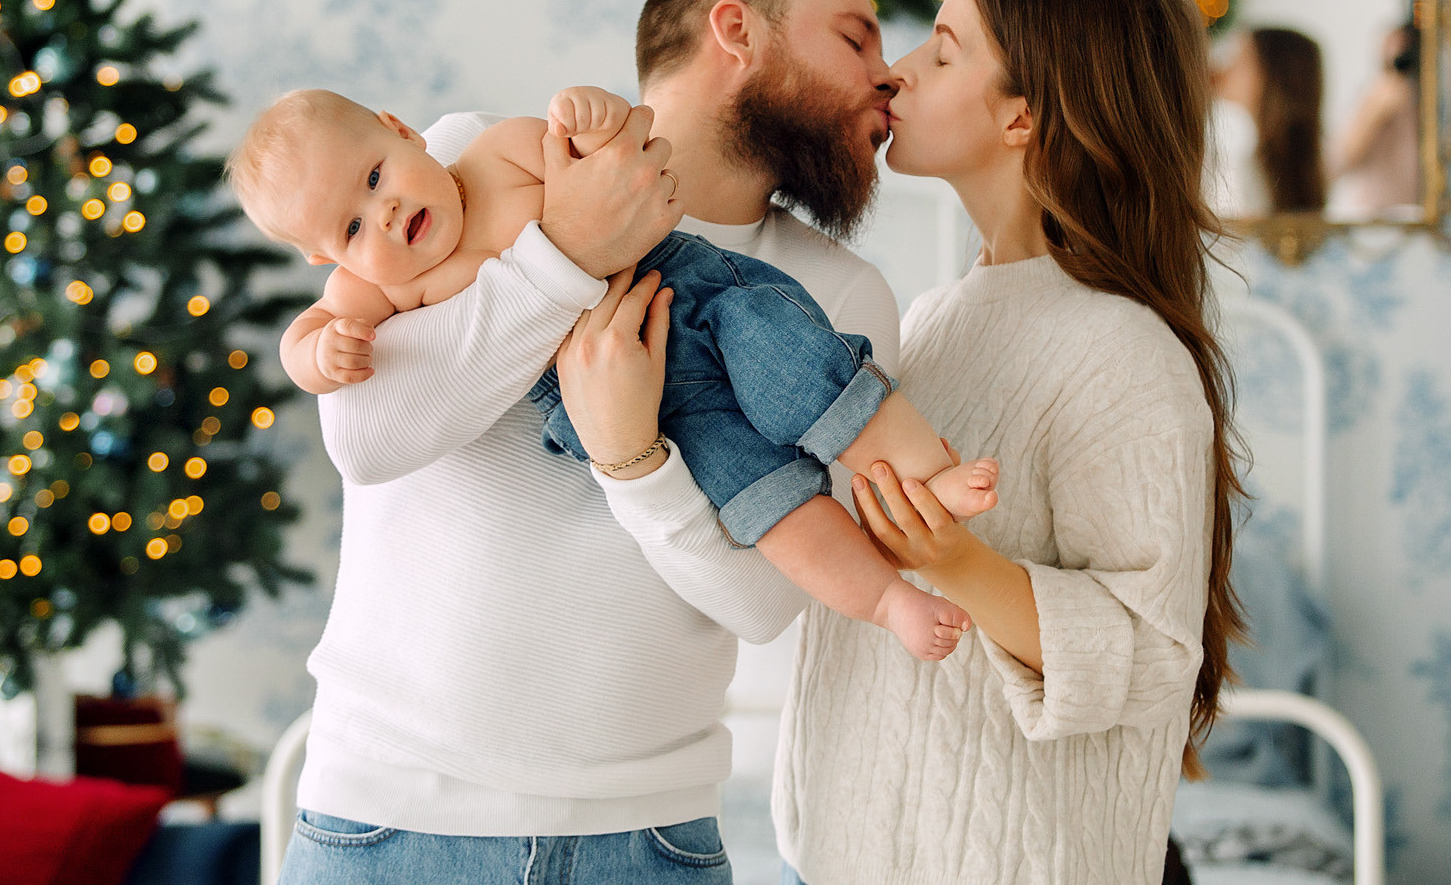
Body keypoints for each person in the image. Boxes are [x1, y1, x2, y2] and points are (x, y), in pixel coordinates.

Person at [562, 0, 1246, 885]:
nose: (896, 78)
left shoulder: (1124, 352)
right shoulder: (936, 318)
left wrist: (960, 565)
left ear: (1024, 114)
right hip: (840, 865)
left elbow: (1144, 652)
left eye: (941, 49)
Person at [244, 0, 907, 885]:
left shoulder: (834, 305)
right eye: (856, 36)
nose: (889, 76)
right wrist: (565, 258)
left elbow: (763, 601)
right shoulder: (451, 172)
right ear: (735, 33)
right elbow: (369, 434)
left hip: (645, 852)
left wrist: (632, 456)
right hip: (387, 823)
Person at [225, 83, 991, 658]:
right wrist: (317, 353)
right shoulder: (378, 286)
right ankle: (889, 602)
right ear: (326, 256)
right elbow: (315, 338)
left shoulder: (494, 152)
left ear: (403, 133)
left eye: (374, 177)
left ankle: (930, 473)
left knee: (812, 379)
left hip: (693, 298)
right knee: (767, 505)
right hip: (658, 414)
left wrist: (597, 119)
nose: (384, 213)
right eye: (352, 226)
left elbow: (616, 159)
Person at [1210, 25, 1325, 214]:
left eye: (1241, 59)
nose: (1225, 67)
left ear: (1272, 76)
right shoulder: (1246, 156)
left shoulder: (1241, 164)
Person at [1328, 19, 1422, 215]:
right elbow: (1342, 159)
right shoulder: (1380, 95)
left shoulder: (1427, 101)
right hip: (1375, 216)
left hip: (1411, 215)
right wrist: (1375, 113)